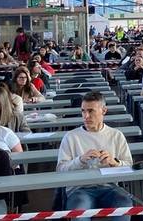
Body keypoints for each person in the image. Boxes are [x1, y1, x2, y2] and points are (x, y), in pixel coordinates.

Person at [57, 92, 133, 221]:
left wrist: (115, 163)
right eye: (83, 111)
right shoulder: (71, 137)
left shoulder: (116, 135)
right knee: (79, 214)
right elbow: (60, 170)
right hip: (80, 189)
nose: (86, 116)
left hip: (110, 188)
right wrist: (80, 160)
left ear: (104, 111)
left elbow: (130, 165)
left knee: (124, 206)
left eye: (91, 111)